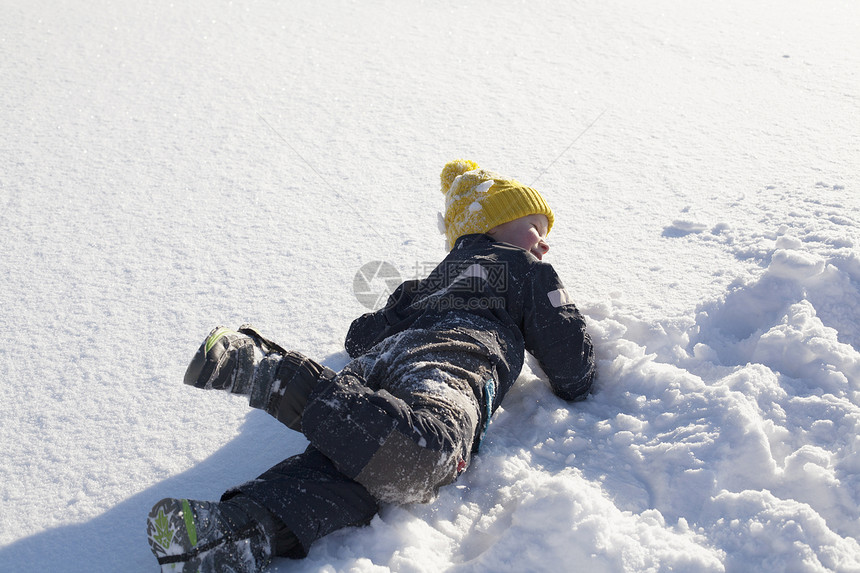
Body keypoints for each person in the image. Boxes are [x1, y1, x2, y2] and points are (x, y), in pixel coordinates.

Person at [146, 159, 596, 572]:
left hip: (376, 368)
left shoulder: (424, 284)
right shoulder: (524, 268)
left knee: (359, 466)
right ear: (494, 225)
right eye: (534, 227)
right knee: (426, 454)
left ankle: (235, 531)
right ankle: (274, 375)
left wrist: (404, 315)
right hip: (448, 360)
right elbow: (571, 369)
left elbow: (360, 336)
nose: (544, 241)